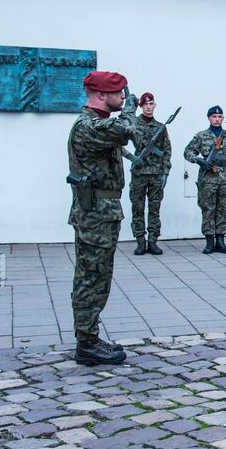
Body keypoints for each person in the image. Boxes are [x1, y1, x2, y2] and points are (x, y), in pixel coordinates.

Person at [68, 71, 138, 366]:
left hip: (101, 213)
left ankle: (89, 338)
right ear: (100, 95)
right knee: (91, 278)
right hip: (95, 214)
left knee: (98, 276)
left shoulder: (99, 123)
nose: (122, 97)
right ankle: (86, 343)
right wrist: (130, 109)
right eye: (117, 92)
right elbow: (123, 129)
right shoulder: (87, 126)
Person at [184, 106, 226, 254]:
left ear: (223, 118)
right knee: (208, 208)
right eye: (214, 117)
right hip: (208, 178)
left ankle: (220, 241)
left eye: (219, 117)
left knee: (223, 208)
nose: (217, 119)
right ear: (209, 118)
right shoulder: (201, 136)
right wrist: (199, 160)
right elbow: (187, 152)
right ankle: (209, 242)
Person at [123, 92, 171, 256]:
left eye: (151, 104)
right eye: (145, 104)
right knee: (138, 208)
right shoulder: (133, 124)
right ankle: (140, 242)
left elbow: (166, 150)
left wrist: (165, 172)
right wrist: (131, 157)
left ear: (154, 106)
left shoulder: (160, 127)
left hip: (156, 174)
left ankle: (152, 241)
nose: (148, 107)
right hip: (139, 173)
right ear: (141, 106)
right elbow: (117, 142)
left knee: (154, 209)